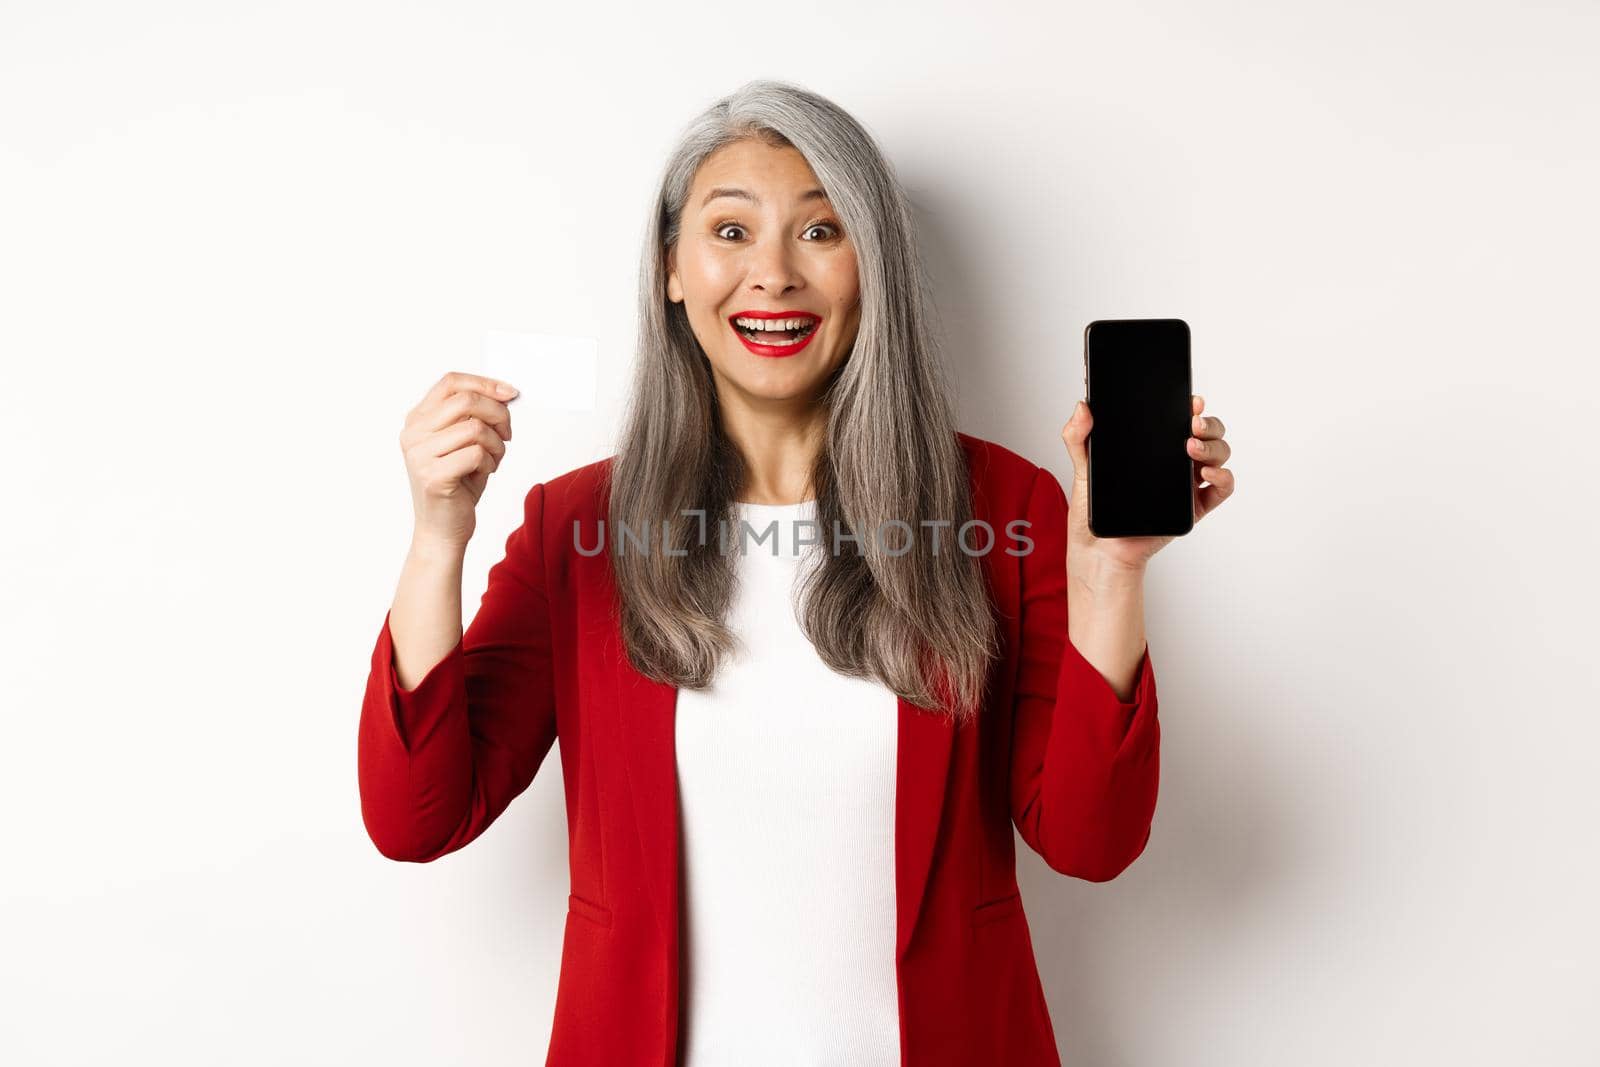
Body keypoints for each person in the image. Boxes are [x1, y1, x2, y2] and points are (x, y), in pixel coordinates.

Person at [357, 78, 1234, 1067]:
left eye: (821, 231)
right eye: (730, 232)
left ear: (873, 268)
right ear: (670, 270)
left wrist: (1110, 570)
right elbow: (417, 816)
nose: (771, 274)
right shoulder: (578, 527)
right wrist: (438, 536)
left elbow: (1091, 839)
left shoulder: (1003, 507)